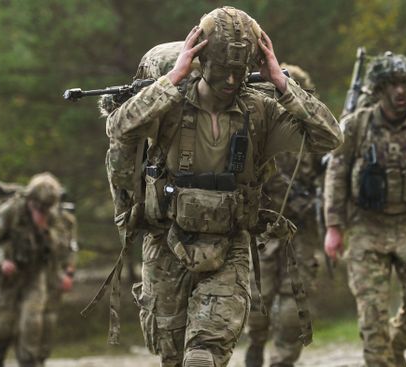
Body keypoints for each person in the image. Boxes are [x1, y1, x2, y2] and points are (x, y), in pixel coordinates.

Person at [106, 6, 342, 366]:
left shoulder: (259, 111)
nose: (231, 80)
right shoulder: (169, 106)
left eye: (239, 71)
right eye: (222, 69)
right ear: (202, 60)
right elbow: (119, 127)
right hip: (168, 242)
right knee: (173, 356)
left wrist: (281, 81)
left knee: (205, 354)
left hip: (229, 245)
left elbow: (330, 137)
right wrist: (172, 78)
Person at [324, 52, 406, 366]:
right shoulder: (357, 126)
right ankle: (380, 357)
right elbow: (337, 174)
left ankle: (394, 347)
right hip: (368, 228)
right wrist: (334, 226)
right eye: (393, 85)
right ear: (380, 88)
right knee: (372, 317)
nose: (400, 91)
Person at [244, 65, 324, 367]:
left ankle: (283, 360)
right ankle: (255, 344)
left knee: (295, 302)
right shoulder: (257, 126)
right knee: (256, 299)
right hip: (262, 229)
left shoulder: (313, 135)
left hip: (301, 232)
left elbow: (328, 175)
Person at [0, 172, 77, 367]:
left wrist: (45, 231)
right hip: (9, 277)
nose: (41, 210)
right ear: (30, 199)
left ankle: (29, 362)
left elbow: (64, 247)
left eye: (46, 207)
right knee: (2, 325)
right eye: (38, 205)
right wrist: (1, 262)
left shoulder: (54, 217)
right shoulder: (11, 212)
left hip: (36, 275)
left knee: (32, 322)